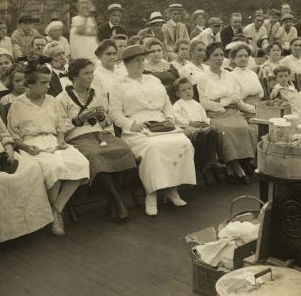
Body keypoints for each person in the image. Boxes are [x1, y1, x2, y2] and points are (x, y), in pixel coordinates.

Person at [109, 45, 196, 216]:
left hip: (161, 124)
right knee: (154, 148)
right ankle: (152, 193)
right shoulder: (119, 85)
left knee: (184, 142)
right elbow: (114, 112)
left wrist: (170, 118)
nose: (141, 63)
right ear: (126, 64)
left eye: (142, 59)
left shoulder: (153, 80)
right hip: (136, 128)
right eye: (136, 61)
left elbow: (167, 104)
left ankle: (172, 189)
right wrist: (130, 124)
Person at [7, 60, 90, 236]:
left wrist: (60, 140)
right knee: (54, 167)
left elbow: (61, 125)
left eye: (48, 82)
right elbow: (13, 135)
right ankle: (57, 216)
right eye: (43, 83)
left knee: (81, 163)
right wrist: (26, 148)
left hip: (53, 141)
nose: (47, 86)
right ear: (29, 85)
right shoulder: (17, 104)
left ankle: (56, 209)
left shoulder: (52, 101)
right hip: (31, 144)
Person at [57, 58, 137, 221]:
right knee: (95, 155)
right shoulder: (62, 98)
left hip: (99, 133)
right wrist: (80, 119)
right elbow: (59, 127)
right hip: (77, 136)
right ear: (74, 75)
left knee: (124, 149)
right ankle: (118, 202)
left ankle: (112, 201)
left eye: (92, 72)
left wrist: (101, 116)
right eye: (86, 73)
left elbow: (105, 121)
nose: (90, 76)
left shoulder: (96, 94)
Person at [0, 101, 53, 243]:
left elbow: (3, 133)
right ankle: (2, 231)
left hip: (2, 153)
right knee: (0, 181)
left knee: (33, 169)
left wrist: (9, 149)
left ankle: (31, 226)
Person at [197, 43, 257, 184]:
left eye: (221, 55)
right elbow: (204, 102)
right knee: (226, 131)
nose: (219, 58)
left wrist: (221, 101)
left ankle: (233, 165)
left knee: (247, 129)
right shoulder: (203, 77)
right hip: (213, 114)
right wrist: (223, 103)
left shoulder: (229, 76)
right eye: (215, 55)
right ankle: (238, 168)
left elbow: (236, 96)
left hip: (231, 112)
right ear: (208, 57)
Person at [172, 78, 222, 171]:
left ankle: (211, 160)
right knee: (200, 136)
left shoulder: (197, 104)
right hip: (186, 129)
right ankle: (201, 163)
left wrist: (205, 123)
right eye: (183, 90)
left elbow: (203, 116)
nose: (187, 92)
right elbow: (177, 119)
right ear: (177, 94)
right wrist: (190, 123)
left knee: (213, 133)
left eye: (189, 88)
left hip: (200, 128)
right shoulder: (177, 105)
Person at [143, 38, 180, 103]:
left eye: (159, 50)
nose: (156, 54)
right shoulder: (143, 69)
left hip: (173, 98)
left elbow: (179, 82)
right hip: (153, 99)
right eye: (153, 51)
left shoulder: (169, 66)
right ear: (147, 54)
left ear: (163, 52)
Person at [229, 44, 263, 112]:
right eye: (240, 56)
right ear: (234, 59)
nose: (243, 58)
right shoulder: (231, 76)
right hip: (244, 111)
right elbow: (238, 103)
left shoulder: (253, 74)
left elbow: (261, 94)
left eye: (246, 56)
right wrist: (255, 110)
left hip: (259, 106)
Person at [92, 40, 123, 110]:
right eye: (108, 54)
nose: (112, 57)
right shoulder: (96, 75)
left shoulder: (123, 72)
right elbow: (97, 102)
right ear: (99, 56)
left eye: (114, 54)